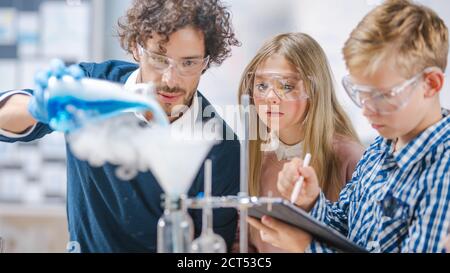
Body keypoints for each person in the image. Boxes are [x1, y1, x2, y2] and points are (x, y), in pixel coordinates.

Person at [0, 0, 241, 253]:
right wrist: (40, 105)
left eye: (189, 63)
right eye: (159, 58)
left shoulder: (218, 147)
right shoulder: (95, 88)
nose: (171, 79)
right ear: (137, 49)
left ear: (206, 61)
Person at [248, 0, 450, 253]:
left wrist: (306, 247)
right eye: (360, 92)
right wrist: (311, 202)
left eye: (382, 95)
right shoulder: (380, 148)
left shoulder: (443, 171)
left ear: (431, 83)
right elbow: (347, 228)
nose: (366, 108)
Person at [237, 32, 364, 252]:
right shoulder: (253, 158)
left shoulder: (352, 158)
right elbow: (243, 245)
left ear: (314, 91)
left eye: (286, 86)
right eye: (261, 86)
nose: (270, 97)